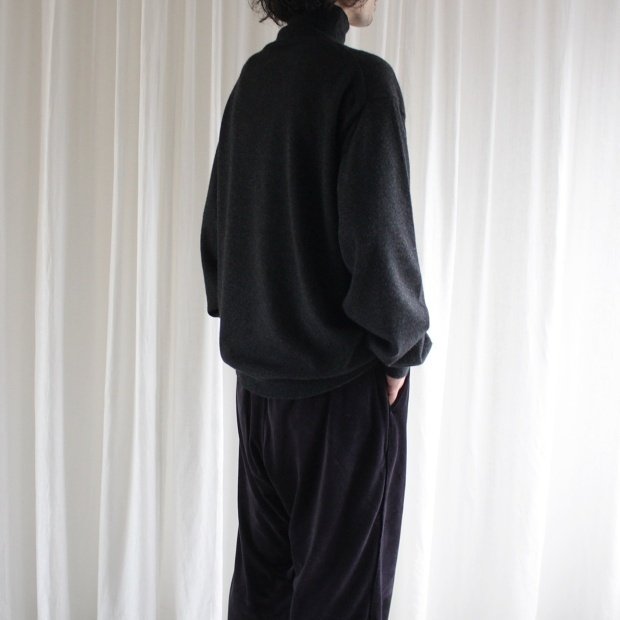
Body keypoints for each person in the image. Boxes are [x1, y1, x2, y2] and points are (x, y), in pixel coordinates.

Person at [200, 0, 433, 617]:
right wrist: (400, 353)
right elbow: (379, 241)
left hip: (261, 395)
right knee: (342, 602)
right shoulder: (361, 82)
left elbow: (219, 235)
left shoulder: (255, 80)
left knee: (264, 591)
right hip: (340, 395)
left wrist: (258, 322)